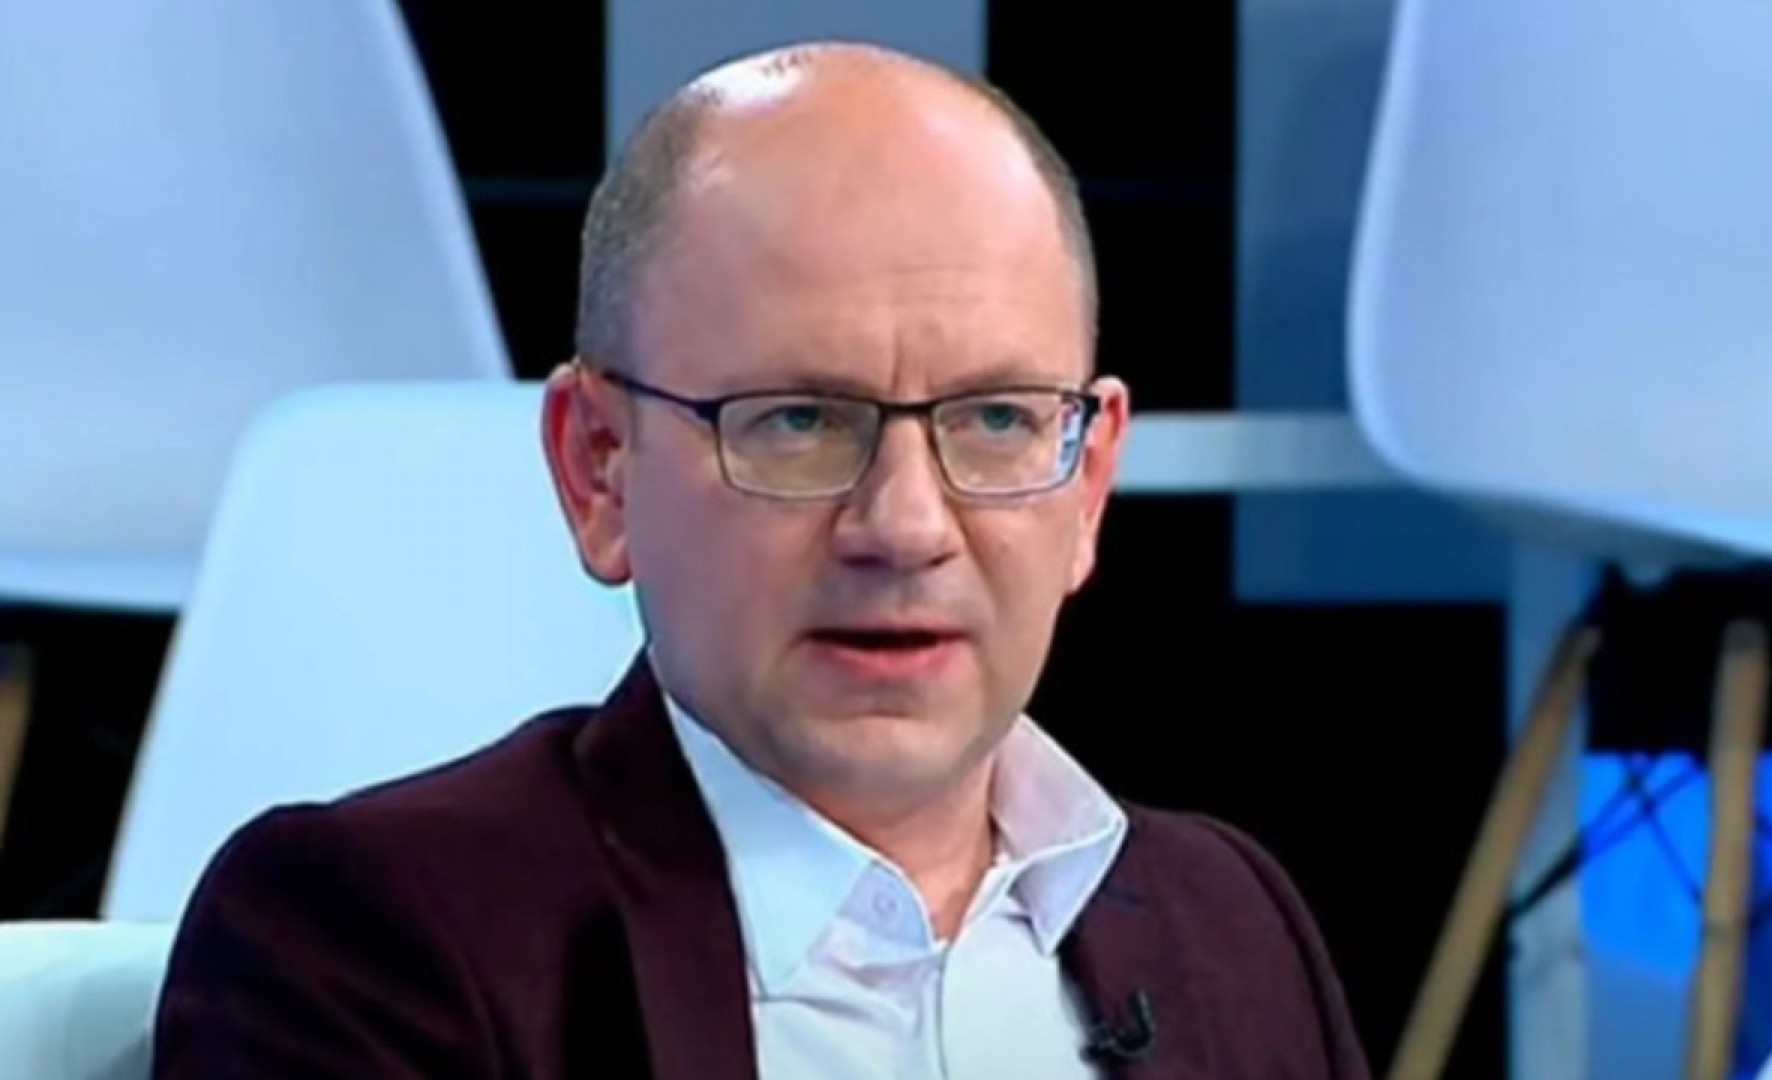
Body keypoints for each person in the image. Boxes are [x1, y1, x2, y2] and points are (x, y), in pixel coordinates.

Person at [153, 40, 1369, 1080]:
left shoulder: (1228, 928)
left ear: (1089, 480)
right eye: (798, 421)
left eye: (996, 419)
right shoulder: (381, 937)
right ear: (599, 469)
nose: (907, 526)